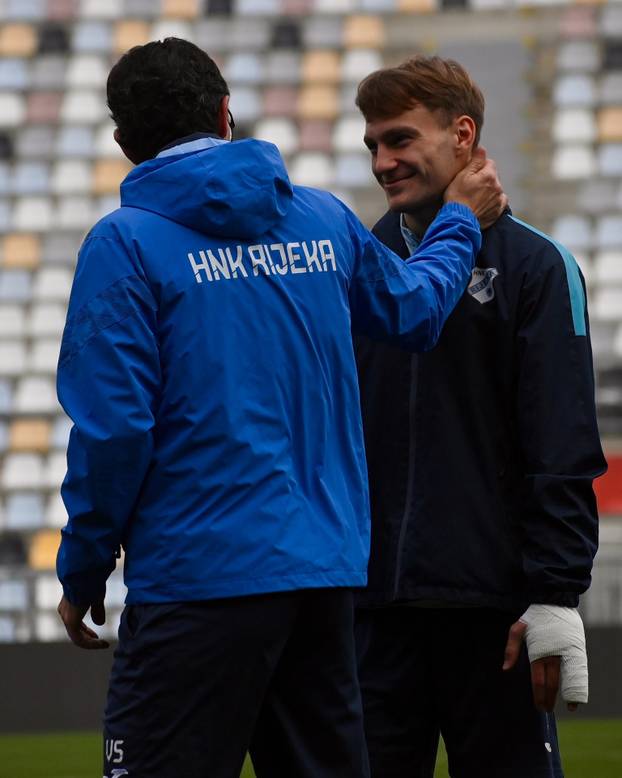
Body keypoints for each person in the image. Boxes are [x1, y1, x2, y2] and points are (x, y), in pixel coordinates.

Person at [54, 39, 504, 778]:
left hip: (199, 580)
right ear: (227, 113)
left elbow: (115, 428)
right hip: (322, 581)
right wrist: (459, 220)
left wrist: (83, 567)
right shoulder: (323, 221)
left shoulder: (124, 245)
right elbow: (419, 311)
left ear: (123, 142)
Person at [354, 55, 607, 778]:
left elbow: (561, 440)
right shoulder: (354, 261)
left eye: (400, 139)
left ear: (462, 134)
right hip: (373, 614)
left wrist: (556, 593)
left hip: (495, 616)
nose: (383, 161)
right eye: (372, 143)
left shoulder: (538, 266)